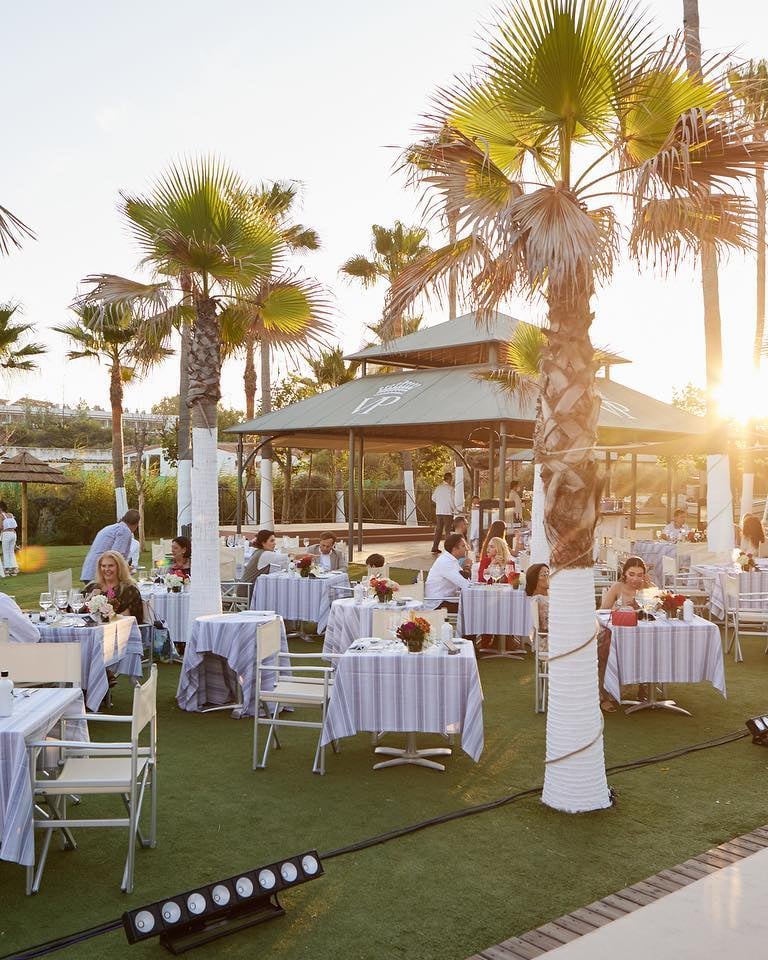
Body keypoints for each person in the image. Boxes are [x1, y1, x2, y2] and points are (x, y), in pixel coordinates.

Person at [598, 556, 655, 712]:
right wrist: (620, 611)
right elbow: (602, 611)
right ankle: (603, 695)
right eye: (631, 574)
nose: (635, 579)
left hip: (642, 635)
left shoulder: (649, 588)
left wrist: (643, 606)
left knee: (654, 647)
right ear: (624, 573)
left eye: (639, 575)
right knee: (605, 650)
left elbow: (657, 613)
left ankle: (645, 687)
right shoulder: (617, 587)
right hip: (617, 633)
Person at [83, 550, 145, 623]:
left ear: (119, 568)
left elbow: (128, 620)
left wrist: (110, 614)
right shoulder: (92, 587)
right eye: (103, 566)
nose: (106, 569)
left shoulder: (129, 590)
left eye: (111, 566)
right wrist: (89, 598)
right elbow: (75, 610)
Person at [80, 510, 141, 584]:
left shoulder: (111, 528)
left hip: (90, 571)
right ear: (136, 524)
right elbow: (116, 556)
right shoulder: (124, 531)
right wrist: (126, 569)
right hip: (99, 574)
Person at [425, 533, 468, 611]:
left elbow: (465, 578)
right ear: (454, 549)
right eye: (463, 546)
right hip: (438, 604)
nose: (466, 549)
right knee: (473, 605)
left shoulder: (451, 560)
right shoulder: (445, 562)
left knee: (473, 604)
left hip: (446, 600)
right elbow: (463, 583)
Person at [431, 472, 455, 554]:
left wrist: (440, 502)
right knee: (447, 531)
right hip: (447, 511)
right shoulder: (451, 489)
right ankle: (448, 549)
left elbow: (433, 498)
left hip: (439, 511)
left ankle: (434, 547)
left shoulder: (438, 488)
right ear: (449, 478)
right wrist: (454, 509)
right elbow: (452, 500)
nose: (452, 480)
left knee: (438, 530)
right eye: (451, 478)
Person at [525, 563, 550, 636]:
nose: (548, 576)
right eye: (544, 574)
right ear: (534, 579)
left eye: (548, 573)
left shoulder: (548, 596)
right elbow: (544, 627)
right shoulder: (538, 600)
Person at [0, 502, 17, 575]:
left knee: (6, 552)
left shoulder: (1, 515)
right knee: (11, 552)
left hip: (6, 534)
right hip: (13, 534)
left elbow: (1, 527)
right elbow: (15, 526)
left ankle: (7, 569)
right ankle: (14, 569)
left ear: (0, 508)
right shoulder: (11, 514)